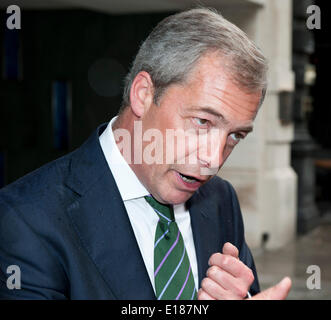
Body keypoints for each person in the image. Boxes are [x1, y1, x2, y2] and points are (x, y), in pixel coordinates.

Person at [0, 8, 291, 300]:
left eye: (235, 135)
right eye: (203, 122)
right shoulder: (24, 219)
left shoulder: (221, 200)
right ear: (142, 94)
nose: (214, 160)